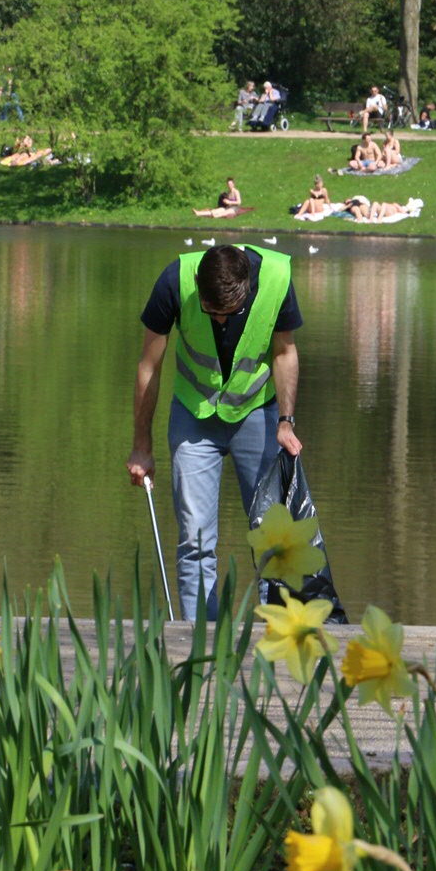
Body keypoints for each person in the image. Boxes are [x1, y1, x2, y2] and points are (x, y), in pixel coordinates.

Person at [127, 244, 303, 620]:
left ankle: (277, 637)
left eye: (231, 313)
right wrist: (142, 445)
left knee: (272, 536)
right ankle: (197, 640)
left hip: (257, 413)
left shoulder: (275, 277)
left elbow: (285, 352)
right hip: (194, 413)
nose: (221, 321)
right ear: (198, 287)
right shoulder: (174, 282)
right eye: (212, 312)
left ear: (248, 289)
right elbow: (149, 366)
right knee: (195, 540)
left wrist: (286, 421)